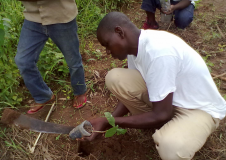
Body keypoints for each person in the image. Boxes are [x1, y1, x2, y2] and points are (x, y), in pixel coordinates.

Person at [82, 12, 226, 160]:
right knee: (115, 78)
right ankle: (164, 126)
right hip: (168, 102)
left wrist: (108, 121)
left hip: (198, 109)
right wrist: (109, 122)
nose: (107, 51)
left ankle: (183, 131)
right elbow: (131, 91)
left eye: (107, 44)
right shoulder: (134, 48)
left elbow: (161, 114)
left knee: (170, 147)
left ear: (119, 32)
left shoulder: (159, 52)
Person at [15, 0, 87, 114]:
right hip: (33, 18)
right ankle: (43, 96)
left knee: (73, 60)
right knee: (23, 61)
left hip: (61, 16)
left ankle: (80, 91)